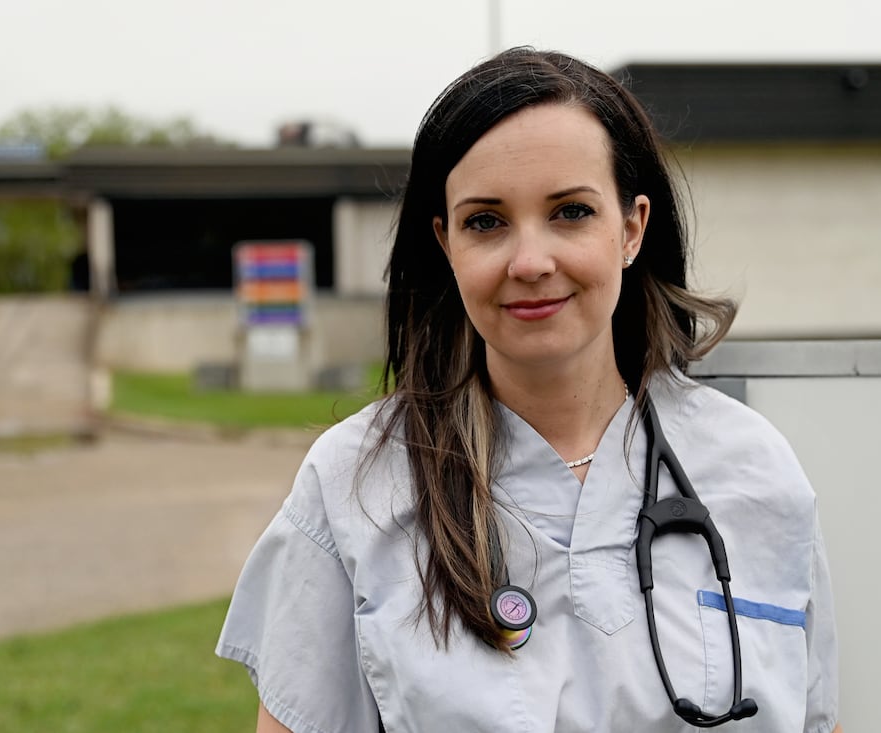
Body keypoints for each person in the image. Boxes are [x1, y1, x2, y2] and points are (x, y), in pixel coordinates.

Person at [217, 48, 840, 733]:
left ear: (631, 228)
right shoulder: (354, 485)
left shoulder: (752, 468)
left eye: (571, 212)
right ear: (446, 241)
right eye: (486, 221)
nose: (531, 261)